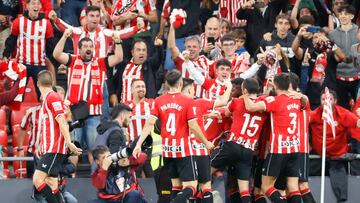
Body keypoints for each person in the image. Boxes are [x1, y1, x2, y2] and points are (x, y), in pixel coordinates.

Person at [133, 70, 214, 203]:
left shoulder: (159, 100)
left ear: (166, 84)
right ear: (181, 83)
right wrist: (206, 142)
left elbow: (150, 123)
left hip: (167, 151)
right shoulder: (188, 100)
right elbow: (193, 126)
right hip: (183, 151)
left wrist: (138, 144)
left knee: (176, 186)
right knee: (192, 187)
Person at [52, 28, 123, 155]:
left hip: (93, 113)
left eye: (91, 46)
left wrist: (117, 42)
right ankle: (71, 175)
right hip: (74, 112)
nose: (88, 48)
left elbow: (118, 58)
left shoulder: (100, 62)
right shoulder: (73, 60)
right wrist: (64, 37)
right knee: (74, 148)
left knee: (94, 150)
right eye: (85, 46)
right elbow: (56, 54)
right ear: (79, 49)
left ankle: (95, 174)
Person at [243, 73, 307, 203]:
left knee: (266, 186)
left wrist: (245, 94)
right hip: (295, 150)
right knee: (293, 187)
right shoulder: (298, 100)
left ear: (276, 86)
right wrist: (303, 96)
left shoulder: (273, 100)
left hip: (278, 150)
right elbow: (305, 101)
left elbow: (250, 107)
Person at [212, 78, 268, 203]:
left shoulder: (236, 101)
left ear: (244, 90)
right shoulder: (263, 105)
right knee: (244, 190)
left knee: (205, 171)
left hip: (233, 145)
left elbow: (226, 113)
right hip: (248, 149)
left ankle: (198, 198)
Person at [32, 70, 82, 203]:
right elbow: (51, 126)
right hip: (50, 148)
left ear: (37, 83)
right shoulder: (48, 99)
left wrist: (69, 142)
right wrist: (42, 145)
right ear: (52, 82)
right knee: (51, 183)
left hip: (54, 149)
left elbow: (61, 121)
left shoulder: (52, 97)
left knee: (37, 179)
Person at [181, 77, 232, 203]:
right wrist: (229, 86)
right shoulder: (199, 103)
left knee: (187, 187)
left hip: (183, 152)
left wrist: (205, 115)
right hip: (200, 150)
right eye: (193, 88)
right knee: (205, 187)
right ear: (189, 91)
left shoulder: (175, 106)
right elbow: (224, 100)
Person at [309, 88, 360, 202]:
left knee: (339, 176)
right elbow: (303, 122)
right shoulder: (315, 113)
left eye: (329, 99)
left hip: (337, 155)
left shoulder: (342, 113)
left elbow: (357, 122)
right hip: (319, 154)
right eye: (323, 99)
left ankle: (341, 198)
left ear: (335, 101)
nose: (326, 101)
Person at [4, 0, 56, 99]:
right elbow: (12, 40)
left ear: (40, 6)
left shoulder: (46, 24)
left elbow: (51, 46)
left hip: (40, 65)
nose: (36, 6)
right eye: (33, 3)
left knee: (44, 97)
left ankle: (44, 113)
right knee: (17, 97)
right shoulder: (19, 21)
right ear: (27, 6)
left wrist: (57, 62)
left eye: (38, 4)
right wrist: (6, 54)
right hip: (22, 65)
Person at [168, 22, 213, 98]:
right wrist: (172, 26)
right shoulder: (181, 59)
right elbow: (172, 47)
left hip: (202, 100)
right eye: (189, 47)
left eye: (194, 47)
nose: (191, 49)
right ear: (185, 48)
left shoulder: (206, 61)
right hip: (185, 100)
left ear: (200, 49)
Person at [112, 38, 163, 104]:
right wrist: (113, 95)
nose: (141, 53)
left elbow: (158, 59)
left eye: (144, 50)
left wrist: (159, 47)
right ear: (132, 52)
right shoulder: (124, 66)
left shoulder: (149, 65)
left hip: (143, 109)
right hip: (125, 108)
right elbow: (114, 82)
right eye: (138, 50)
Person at [328, 5, 359, 109]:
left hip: (357, 76)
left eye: (346, 14)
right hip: (338, 76)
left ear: (352, 16)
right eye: (340, 14)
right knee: (342, 108)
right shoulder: (332, 34)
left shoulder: (358, 32)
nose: (342, 16)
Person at [125, 79, 154, 178]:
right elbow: (123, 127)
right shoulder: (125, 106)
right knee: (134, 178)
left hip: (150, 148)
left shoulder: (152, 104)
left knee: (153, 178)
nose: (141, 89)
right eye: (138, 87)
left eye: (143, 86)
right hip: (133, 147)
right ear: (131, 90)